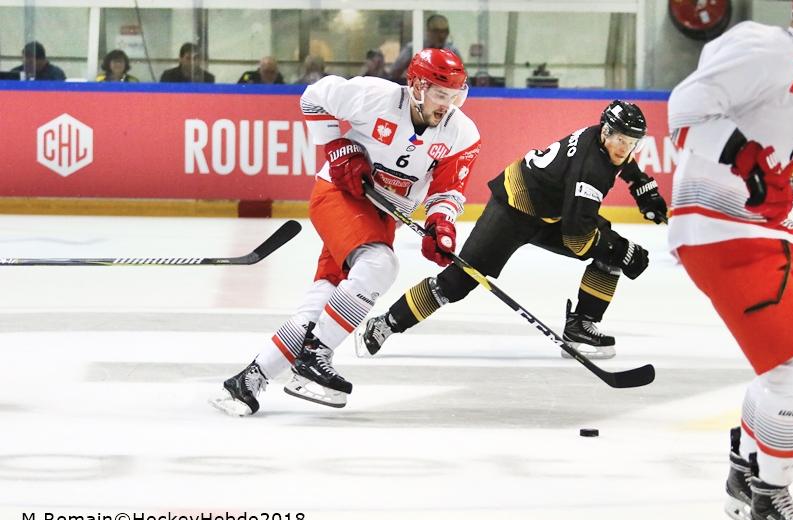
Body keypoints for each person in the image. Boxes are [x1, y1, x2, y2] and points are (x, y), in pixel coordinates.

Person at [210, 48, 480, 415]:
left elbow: (448, 192)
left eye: (454, 96)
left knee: (327, 300)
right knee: (380, 265)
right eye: (440, 94)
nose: (447, 105)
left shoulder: (462, 133)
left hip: (383, 219)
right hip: (339, 196)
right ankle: (314, 356)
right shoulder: (376, 96)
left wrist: (441, 224)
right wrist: (336, 145)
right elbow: (313, 97)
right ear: (417, 86)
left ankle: (247, 382)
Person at [356, 100, 667, 362]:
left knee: (611, 253)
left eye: (632, 142)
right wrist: (619, 249)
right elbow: (577, 237)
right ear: (606, 132)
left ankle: (580, 327)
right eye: (620, 140)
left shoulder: (602, 141)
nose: (624, 148)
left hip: (549, 211)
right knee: (458, 282)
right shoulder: (591, 169)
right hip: (513, 209)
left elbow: (623, 162)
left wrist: (642, 187)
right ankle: (387, 323)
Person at [667, 3, 793, 520]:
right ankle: (769, 492)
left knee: (783, 368)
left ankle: (748, 473)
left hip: (771, 233)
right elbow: (686, 110)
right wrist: (748, 162)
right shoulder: (771, 50)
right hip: (723, 232)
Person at [389, 14, 461, 84]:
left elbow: (461, 78)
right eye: (436, 31)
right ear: (428, 31)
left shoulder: (452, 52)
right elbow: (393, 73)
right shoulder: (413, 48)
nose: (441, 36)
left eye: (444, 32)